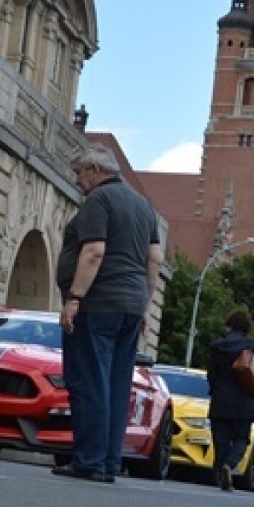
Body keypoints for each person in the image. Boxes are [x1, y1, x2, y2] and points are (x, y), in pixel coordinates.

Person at [53, 144, 163, 483]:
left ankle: (90, 461)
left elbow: (94, 251)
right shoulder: (143, 206)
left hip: (98, 304)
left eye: (80, 174)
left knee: (90, 381)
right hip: (131, 306)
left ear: (95, 172)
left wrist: (74, 298)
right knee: (116, 385)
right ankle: (110, 460)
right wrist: (144, 302)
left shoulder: (99, 200)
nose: (78, 181)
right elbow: (155, 258)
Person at [206, 310, 254, 491]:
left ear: (230, 325)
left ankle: (220, 471)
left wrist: (214, 390)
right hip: (245, 400)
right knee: (241, 438)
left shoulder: (217, 346)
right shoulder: (253, 346)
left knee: (220, 440)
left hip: (221, 399)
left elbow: (211, 373)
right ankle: (229, 465)